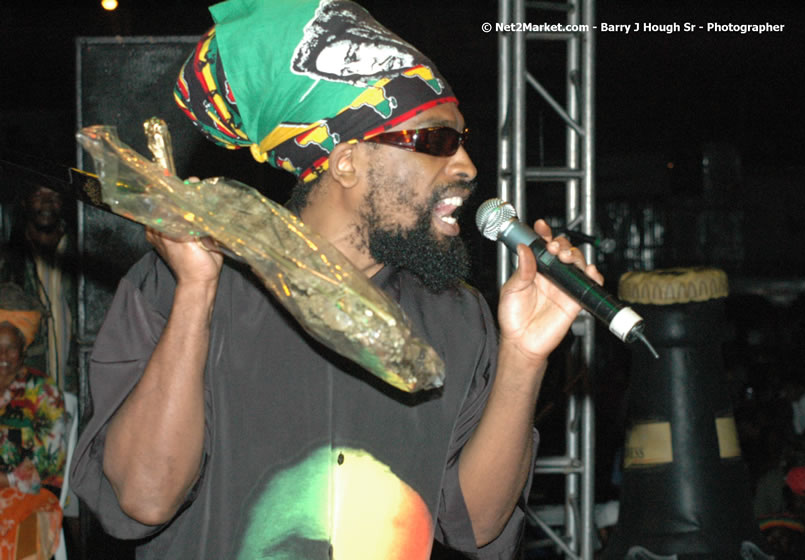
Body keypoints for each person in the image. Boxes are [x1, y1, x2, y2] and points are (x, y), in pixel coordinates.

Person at [69, 1, 602, 558]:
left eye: (461, 139)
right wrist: (196, 293)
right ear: (346, 162)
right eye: (435, 141)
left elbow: (477, 525)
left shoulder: (459, 319)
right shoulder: (186, 282)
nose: (467, 165)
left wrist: (524, 356)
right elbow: (144, 498)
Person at [0, 283, 66, 559]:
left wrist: (7, 480)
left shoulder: (42, 391)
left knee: (22, 542)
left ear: (23, 349)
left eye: (10, 348)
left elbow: (50, 461)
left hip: (33, 495)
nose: (2, 356)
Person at [0, 184, 77, 395]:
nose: (46, 203)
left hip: (77, 388)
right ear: (24, 202)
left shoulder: (83, 254)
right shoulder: (8, 261)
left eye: (54, 195)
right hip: (26, 395)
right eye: (38, 195)